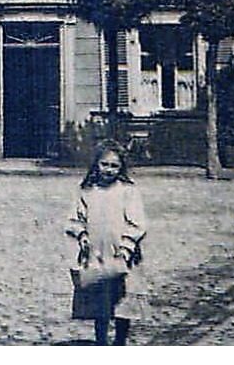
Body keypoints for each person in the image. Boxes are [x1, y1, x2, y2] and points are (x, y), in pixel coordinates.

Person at [65, 142, 147, 345]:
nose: (108, 170)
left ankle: (120, 341)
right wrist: (81, 235)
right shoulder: (87, 190)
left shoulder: (127, 191)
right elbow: (75, 218)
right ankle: (101, 341)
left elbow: (137, 223)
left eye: (114, 166)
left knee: (123, 300)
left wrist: (127, 246)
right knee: (99, 301)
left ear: (121, 168)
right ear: (96, 165)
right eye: (104, 164)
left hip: (121, 254)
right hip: (97, 253)